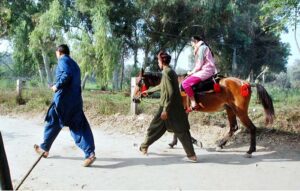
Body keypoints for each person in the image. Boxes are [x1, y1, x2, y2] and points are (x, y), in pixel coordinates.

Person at [34, 44, 96, 167]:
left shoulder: (63, 60)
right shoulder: (75, 64)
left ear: (59, 52)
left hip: (62, 102)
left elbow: (66, 75)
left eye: (56, 53)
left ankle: (44, 148)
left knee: (53, 122)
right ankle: (90, 154)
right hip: (76, 101)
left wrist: (56, 86)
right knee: (79, 127)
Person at [140, 51, 197, 162]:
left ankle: (191, 155)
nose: (158, 62)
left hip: (168, 108)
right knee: (177, 130)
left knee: (176, 130)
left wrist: (165, 110)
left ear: (162, 61)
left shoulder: (166, 73)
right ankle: (144, 146)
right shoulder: (171, 72)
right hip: (174, 107)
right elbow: (162, 86)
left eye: (158, 60)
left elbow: (170, 92)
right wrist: (149, 91)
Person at [182, 35, 217, 111]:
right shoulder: (203, 47)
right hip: (206, 70)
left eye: (192, 44)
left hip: (206, 70)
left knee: (185, 83)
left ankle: (194, 102)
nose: (192, 46)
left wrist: (191, 72)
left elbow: (199, 64)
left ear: (195, 41)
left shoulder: (201, 48)